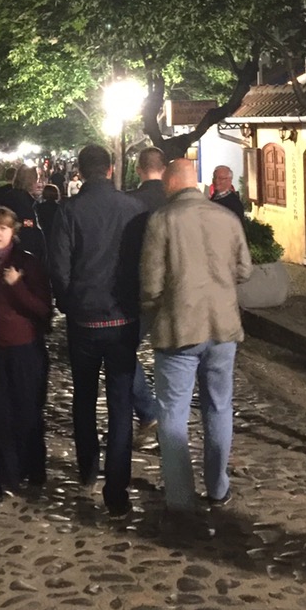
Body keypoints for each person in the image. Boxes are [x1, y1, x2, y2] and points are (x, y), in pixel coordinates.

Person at [140, 158, 252, 517]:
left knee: (173, 412)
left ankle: (180, 497)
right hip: (223, 327)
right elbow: (244, 269)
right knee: (219, 407)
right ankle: (218, 488)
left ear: (171, 183)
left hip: (179, 328)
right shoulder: (227, 217)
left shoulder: (162, 220)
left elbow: (150, 284)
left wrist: (158, 303)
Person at [48, 143, 142, 516]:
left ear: (80, 171)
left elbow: (58, 266)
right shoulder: (133, 208)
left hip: (84, 319)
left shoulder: (69, 210)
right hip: (123, 318)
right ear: (111, 168)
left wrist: (67, 303)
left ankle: (88, 467)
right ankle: (117, 488)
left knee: (84, 397)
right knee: (121, 402)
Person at [0, 207, 52, 508]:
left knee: (27, 412)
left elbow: (43, 309)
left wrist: (17, 286)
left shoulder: (27, 263)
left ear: (12, 232)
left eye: (2, 228)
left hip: (24, 350)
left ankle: (32, 468)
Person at [121, 147, 168, 450]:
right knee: (173, 361)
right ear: (164, 169)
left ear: (138, 169)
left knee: (124, 351)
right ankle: (169, 424)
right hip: (175, 291)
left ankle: (149, 412)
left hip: (138, 290)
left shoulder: (130, 202)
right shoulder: (175, 200)